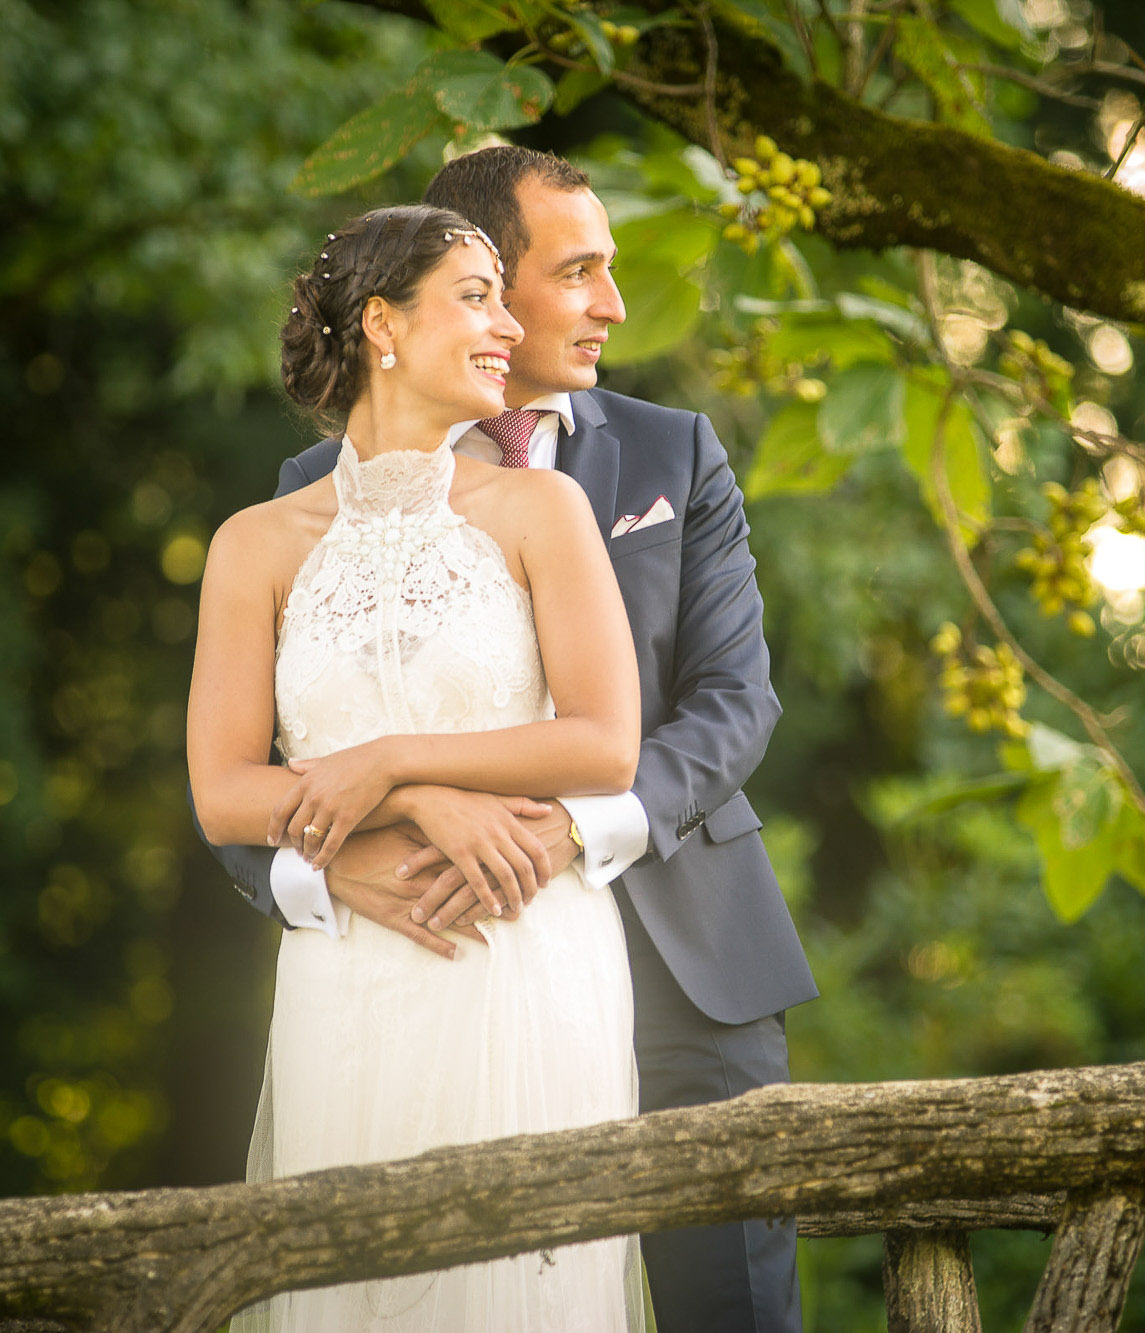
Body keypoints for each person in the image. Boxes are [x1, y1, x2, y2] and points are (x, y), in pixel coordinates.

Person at [197, 147, 817, 1333]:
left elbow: (734, 701)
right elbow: (260, 768)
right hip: (404, 951)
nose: (610, 304)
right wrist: (329, 868)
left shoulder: (667, 453)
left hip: (686, 957)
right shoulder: (294, 508)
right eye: (576, 271)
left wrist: (566, 830)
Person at [188, 203, 645, 1329]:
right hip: (353, 970)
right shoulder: (254, 544)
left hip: (519, 949)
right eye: (476, 296)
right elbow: (223, 790)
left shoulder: (544, 507)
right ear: (383, 324)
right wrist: (410, 794)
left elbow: (603, 741)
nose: (509, 326)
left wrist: (388, 759)